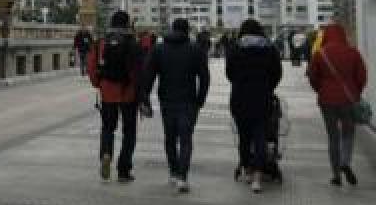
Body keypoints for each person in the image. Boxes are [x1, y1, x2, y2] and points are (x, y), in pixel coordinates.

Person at [141, 18, 210, 193]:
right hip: (188, 101)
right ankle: (182, 176)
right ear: (187, 31)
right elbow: (204, 77)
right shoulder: (196, 49)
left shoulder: (159, 49)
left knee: (170, 138)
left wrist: (145, 98)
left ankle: (173, 171)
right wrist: (200, 99)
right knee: (186, 140)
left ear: (172, 29)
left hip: (167, 100)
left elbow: (148, 74)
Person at [306, 22, 368, 186]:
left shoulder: (320, 54)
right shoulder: (353, 53)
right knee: (348, 133)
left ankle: (336, 175)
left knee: (333, 136)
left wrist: (321, 89)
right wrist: (356, 92)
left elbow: (312, 76)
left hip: (327, 100)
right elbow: (362, 76)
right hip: (348, 99)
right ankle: (345, 162)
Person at [225, 18, 282, 193]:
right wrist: (267, 86)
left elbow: (229, 73)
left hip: (240, 98)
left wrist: (240, 82)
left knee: (243, 136)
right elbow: (277, 73)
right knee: (260, 136)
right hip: (262, 98)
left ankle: (247, 169)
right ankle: (258, 176)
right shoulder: (270, 49)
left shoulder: (235, 48)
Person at [89, 10, 141, 182]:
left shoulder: (102, 42)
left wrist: (98, 83)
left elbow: (91, 65)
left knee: (108, 128)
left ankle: (106, 154)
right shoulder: (132, 42)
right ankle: (123, 170)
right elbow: (138, 69)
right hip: (128, 92)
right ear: (127, 24)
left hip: (108, 91)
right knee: (129, 131)